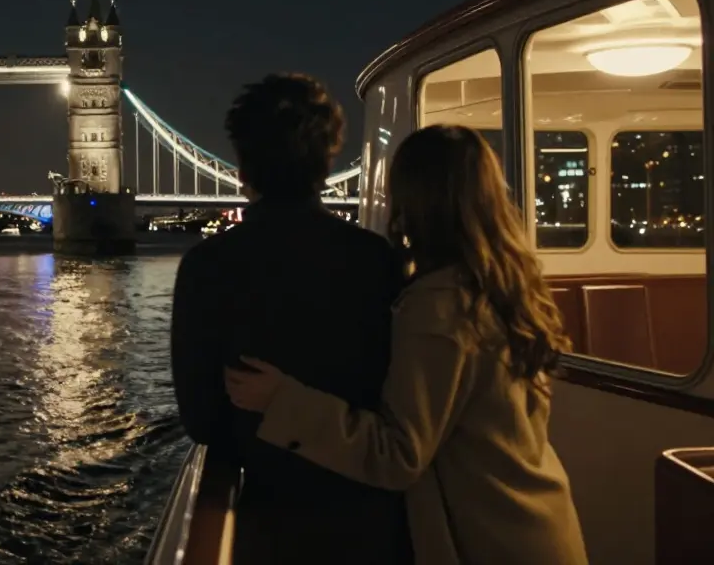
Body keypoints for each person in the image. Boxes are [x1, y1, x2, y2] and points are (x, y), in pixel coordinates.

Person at [225, 124, 589, 565]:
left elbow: (398, 455)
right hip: (537, 523)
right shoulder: (508, 283)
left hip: (489, 539)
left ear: (413, 200)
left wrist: (282, 400)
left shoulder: (440, 307)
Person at [171, 73, 413, 562]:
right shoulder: (380, 261)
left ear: (241, 167)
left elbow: (201, 422)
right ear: (329, 160)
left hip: (268, 523)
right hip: (374, 524)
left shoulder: (206, 267)